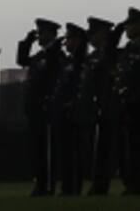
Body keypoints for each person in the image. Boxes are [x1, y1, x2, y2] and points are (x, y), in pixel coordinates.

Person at [17, 18, 64, 196]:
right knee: (37, 149)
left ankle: (48, 184)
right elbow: (22, 60)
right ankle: (40, 182)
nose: (39, 36)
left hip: (47, 108)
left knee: (48, 149)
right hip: (34, 109)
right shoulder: (39, 56)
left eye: (42, 32)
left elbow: (53, 66)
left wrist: (53, 46)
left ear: (51, 33)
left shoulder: (56, 54)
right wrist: (26, 42)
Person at [114, 7, 140, 196]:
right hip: (126, 101)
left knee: (138, 147)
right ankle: (130, 182)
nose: (127, 28)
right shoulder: (129, 48)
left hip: (139, 102)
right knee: (127, 147)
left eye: (130, 24)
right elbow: (109, 52)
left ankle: (138, 184)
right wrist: (118, 30)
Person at [80, 16, 122, 195]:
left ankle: (101, 184)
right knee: (96, 149)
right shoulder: (91, 57)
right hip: (94, 107)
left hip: (108, 106)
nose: (90, 38)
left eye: (93, 33)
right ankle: (97, 183)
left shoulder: (111, 55)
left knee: (106, 149)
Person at [50, 22, 88, 196]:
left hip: (73, 112)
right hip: (61, 113)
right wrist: (57, 44)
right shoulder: (66, 62)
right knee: (64, 153)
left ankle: (73, 187)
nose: (66, 43)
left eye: (70, 39)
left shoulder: (81, 61)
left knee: (74, 153)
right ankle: (67, 186)